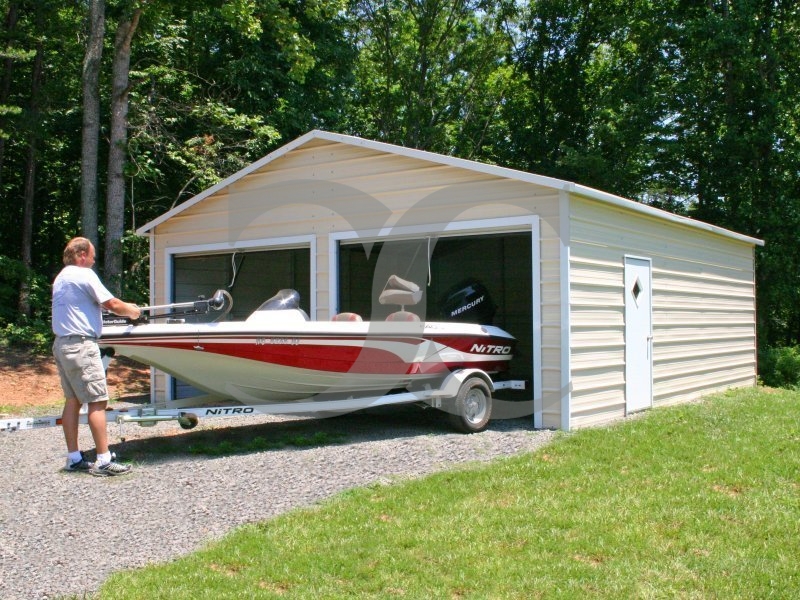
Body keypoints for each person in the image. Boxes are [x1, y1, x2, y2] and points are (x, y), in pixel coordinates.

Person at [52, 237, 141, 477]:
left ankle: (74, 459)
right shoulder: (84, 274)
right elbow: (112, 303)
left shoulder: (62, 277)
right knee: (98, 401)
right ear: (81, 255)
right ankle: (103, 461)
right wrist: (132, 311)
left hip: (62, 345)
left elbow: (87, 305)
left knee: (73, 401)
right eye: (92, 256)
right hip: (82, 345)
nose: (93, 261)